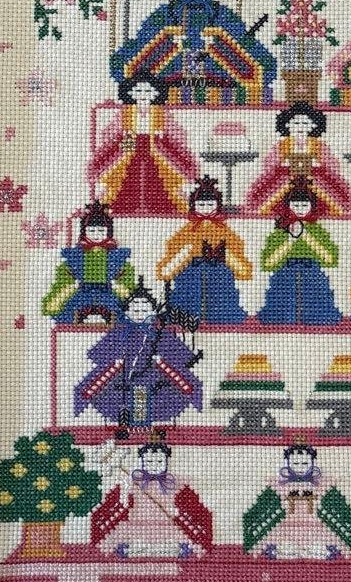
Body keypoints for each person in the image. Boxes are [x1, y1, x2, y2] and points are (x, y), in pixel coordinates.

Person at [110, 0, 276, 96]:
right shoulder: (167, 13)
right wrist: (167, 43)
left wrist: (220, 45)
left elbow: (243, 44)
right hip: (168, 77)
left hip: (219, 78)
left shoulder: (221, 14)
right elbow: (143, 43)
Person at [73, 279, 203, 428]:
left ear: (154, 312)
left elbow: (179, 355)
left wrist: (164, 361)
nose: (140, 314)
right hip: (122, 377)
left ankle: (152, 422)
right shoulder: (120, 332)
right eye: (135, 311)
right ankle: (126, 422)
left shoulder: (160, 333)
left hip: (154, 377)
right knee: (102, 390)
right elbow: (100, 354)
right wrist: (116, 361)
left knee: (177, 389)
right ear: (126, 312)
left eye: (144, 310)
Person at [88, 74, 198, 216]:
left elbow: (177, 133)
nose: (143, 95)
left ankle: (160, 206)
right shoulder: (125, 113)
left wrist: (163, 137)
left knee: (161, 179)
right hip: (130, 150)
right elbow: (109, 133)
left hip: (157, 151)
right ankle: (124, 206)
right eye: (138, 91)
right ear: (130, 93)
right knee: (124, 178)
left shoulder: (162, 113)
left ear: (156, 93)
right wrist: (122, 137)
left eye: (148, 91)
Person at [95, 437, 213, 559]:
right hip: (138, 525)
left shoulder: (172, 482)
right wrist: (124, 491)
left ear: (166, 461)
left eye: (160, 461)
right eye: (149, 462)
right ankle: (142, 549)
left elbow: (191, 506)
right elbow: (122, 504)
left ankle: (159, 549)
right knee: (128, 538)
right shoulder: (135, 481)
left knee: (175, 541)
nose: (154, 466)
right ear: (142, 461)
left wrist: (177, 513)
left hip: (167, 527)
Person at [156, 176, 252, 324]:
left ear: (217, 205)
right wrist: (187, 253)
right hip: (189, 278)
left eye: (210, 204)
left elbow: (244, 271)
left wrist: (225, 255)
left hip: (220, 283)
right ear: (193, 206)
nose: (206, 208)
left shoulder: (226, 233)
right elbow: (165, 270)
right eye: (201, 204)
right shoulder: (185, 233)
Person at [242, 442, 351, 560]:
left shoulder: (321, 484)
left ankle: (313, 548)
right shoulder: (280, 484)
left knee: (317, 542)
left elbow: (334, 502)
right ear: (288, 463)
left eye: (304, 463)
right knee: (286, 543)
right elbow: (267, 502)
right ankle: (289, 549)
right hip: (287, 523)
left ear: (312, 463)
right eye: (295, 463)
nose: (300, 467)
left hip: (314, 523)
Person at [244, 102, 351, 218]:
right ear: (287, 125)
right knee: (274, 183)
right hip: (287, 174)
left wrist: (316, 164)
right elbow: (269, 164)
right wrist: (285, 164)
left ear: (313, 126)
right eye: (296, 123)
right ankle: (267, 207)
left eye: (305, 123)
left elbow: (332, 165)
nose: (300, 127)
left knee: (327, 184)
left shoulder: (317, 145)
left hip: (313, 175)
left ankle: (334, 208)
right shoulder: (284, 145)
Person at [256, 181, 342, 326]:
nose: (300, 209)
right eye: (295, 205)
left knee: (318, 314)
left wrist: (306, 236)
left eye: (304, 205)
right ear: (288, 206)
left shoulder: (317, 230)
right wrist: (291, 238)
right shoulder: (281, 230)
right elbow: (268, 263)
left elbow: (330, 259)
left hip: (312, 275)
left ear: (311, 206)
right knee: (279, 314)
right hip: (285, 275)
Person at [41, 201, 135, 325]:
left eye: (101, 231)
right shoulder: (73, 258)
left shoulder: (118, 258)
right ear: (84, 232)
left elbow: (128, 286)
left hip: (109, 295)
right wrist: (72, 286)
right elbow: (64, 279)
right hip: (81, 295)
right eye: (91, 230)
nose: (96, 235)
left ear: (108, 232)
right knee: (70, 313)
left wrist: (116, 286)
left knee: (121, 315)